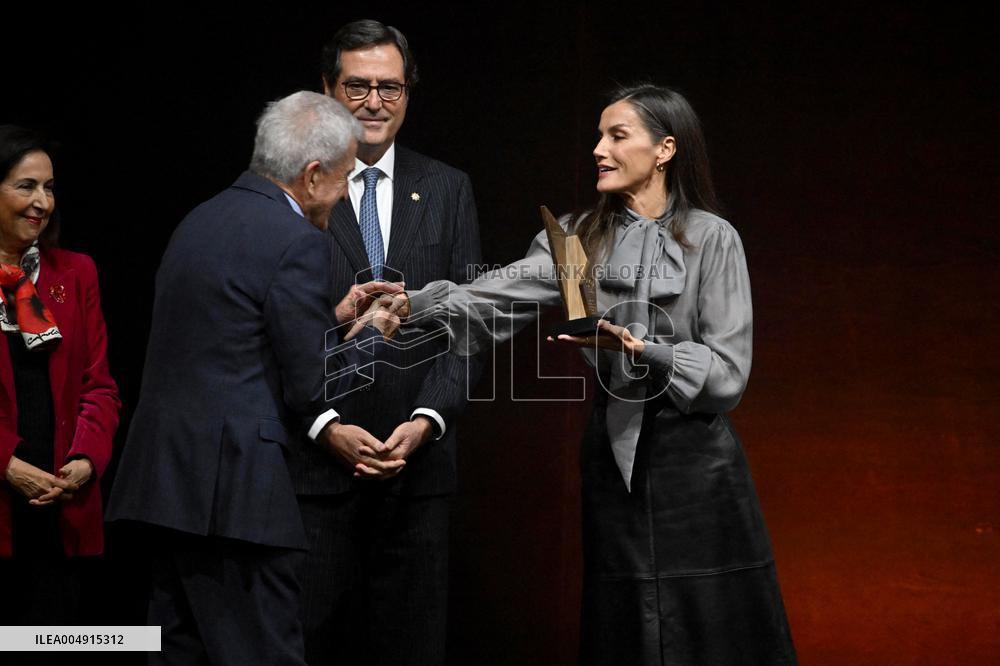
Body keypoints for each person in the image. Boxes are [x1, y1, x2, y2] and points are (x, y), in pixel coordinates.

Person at [377, 84, 798, 664]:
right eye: (599, 136)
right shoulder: (577, 240)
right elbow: (494, 294)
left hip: (696, 462)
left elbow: (727, 375)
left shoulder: (711, 238)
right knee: (626, 623)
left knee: (712, 625)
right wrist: (411, 304)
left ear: (665, 149)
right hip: (612, 456)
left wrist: (645, 350)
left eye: (617, 136)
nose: (598, 149)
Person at [105, 91, 401, 665]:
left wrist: (331, 318)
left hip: (168, 487)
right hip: (235, 500)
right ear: (312, 175)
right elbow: (311, 387)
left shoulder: (200, 218)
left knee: (177, 652)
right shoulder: (297, 240)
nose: (345, 195)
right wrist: (371, 336)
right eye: (344, 179)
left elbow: (232, 338)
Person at [286, 19, 483, 666]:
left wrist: (427, 421)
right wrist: (325, 426)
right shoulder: (297, 184)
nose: (374, 102)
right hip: (316, 469)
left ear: (408, 92)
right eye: (357, 86)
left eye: (390, 88)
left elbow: (468, 325)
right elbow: (275, 327)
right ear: (327, 89)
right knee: (305, 647)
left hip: (416, 473)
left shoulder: (448, 187)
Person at [0, 125, 121, 633]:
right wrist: (7, 464)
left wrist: (86, 460)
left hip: (59, 508)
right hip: (3, 502)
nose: (42, 202)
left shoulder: (76, 272)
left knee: (52, 642)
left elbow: (100, 386)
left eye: (49, 188)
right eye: (26, 186)